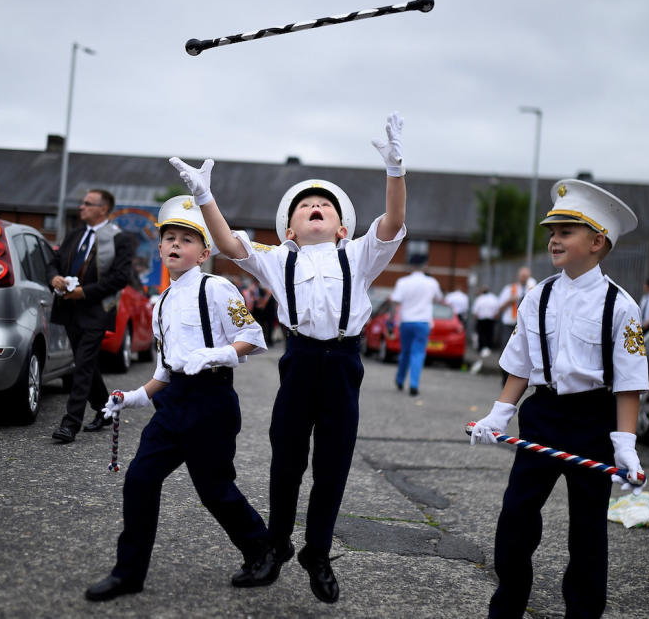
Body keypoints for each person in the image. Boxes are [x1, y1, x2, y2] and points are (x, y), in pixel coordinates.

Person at [169, 111, 406, 604]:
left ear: (343, 228)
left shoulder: (360, 255)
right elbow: (231, 244)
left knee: (334, 462)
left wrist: (395, 172)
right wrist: (205, 199)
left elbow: (394, 223)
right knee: (287, 460)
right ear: (290, 231)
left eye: (325, 206)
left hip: (342, 364)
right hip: (298, 362)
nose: (315, 207)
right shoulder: (279, 258)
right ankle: (276, 546)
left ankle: (317, 552)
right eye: (305, 207)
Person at [469, 179, 649, 619]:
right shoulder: (537, 296)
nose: (554, 239)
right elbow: (520, 366)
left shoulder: (621, 307)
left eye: (566, 231)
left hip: (593, 421)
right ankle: (507, 606)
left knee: (587, 531)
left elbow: (628, 383)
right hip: (545, 415)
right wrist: (499, 415)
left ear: (596, 241)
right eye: (552, 231)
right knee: (516, 515)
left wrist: (625, 445)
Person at [84, 196, 274, 601]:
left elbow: (252, 338)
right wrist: (132, 396)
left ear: (204, 252)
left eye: (186, 239)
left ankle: (262, 548)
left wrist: (219, 353)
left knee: (214, 490)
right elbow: (164, 370)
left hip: (212, 402)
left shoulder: (217, 287)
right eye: (169, 237)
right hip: (174, 405)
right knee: (139, 480)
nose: (175, 244)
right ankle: (128, 573)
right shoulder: (162, 303)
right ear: (159, 247)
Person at [49, 189, 135, 443]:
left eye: (88, 204)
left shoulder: (121, 239)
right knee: (86, 364)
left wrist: (84, 293)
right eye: (83, 203)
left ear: (103, 209)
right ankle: (106, 409)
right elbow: (53, 261)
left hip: (96, 311)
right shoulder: (74, 234)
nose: (81, 207)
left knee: (83, 365)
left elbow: (120, 278)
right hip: (68, 308)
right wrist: (52, 277)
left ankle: (70, 424)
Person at [390, 257, 444, 396]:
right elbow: (439, 298)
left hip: (406, 322)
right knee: (418, 353)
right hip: (423, 322)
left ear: (411, 266)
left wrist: (391, 321)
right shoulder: (432, 282)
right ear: (425, 266)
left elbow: (395, 302)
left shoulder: (402, 282)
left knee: (405, 352)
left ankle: (400, 379)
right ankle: (414, 384)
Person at [498, 266, 536, 349]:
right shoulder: (509, 289)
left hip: (524, 324)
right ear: (518, 276)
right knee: (506, 348)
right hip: (509, 324)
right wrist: (509, 301)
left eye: (526, 276)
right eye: (522, 276)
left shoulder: (532, 290)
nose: (524, 278)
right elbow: (499, 308)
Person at [471, 285, 500, 356]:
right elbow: (497, 309)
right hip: (491, 319)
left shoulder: (479, 298)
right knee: (490, 333)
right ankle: (489, 347)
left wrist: (476, 319)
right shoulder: (494, 298)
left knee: (481, 334)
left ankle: (482, 348)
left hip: (481, 319)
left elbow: (475, 311)